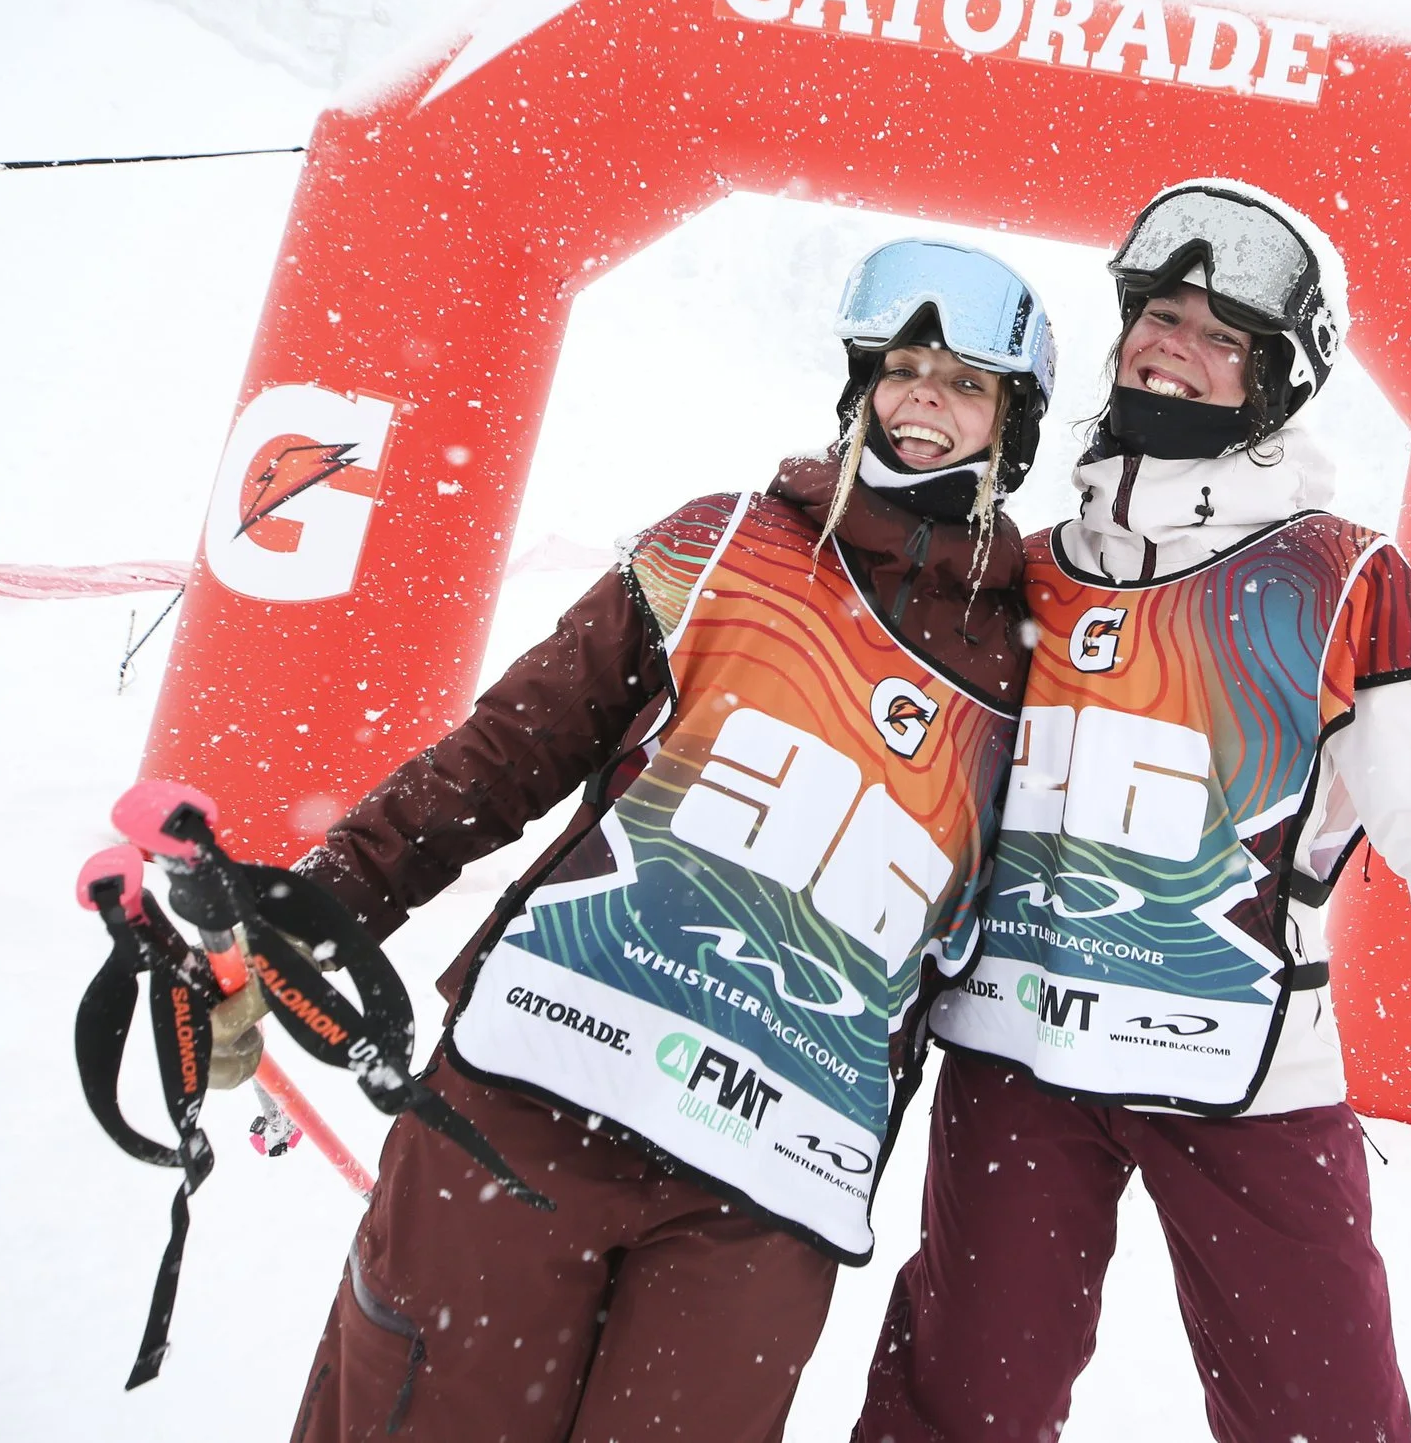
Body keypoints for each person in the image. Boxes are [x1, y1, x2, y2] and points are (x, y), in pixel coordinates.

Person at [855, 181, 1411, 1443]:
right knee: (956, 1410)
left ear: (1273, 383)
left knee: (1324, 1420)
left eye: (1222, 336)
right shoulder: (1026, 567)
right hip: (1019, 1064)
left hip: (1244, 1074)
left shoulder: (1342, 580)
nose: (1172, 344)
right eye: (1160, 312)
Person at [284, 238, 1056, 1443]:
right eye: (905, 366)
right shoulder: (721, 543)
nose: (924, 400)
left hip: (766, 1173)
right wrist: (320, 905)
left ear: (1012, 425)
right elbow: (506, 753)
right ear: (861, 382)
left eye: (965, 384)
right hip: (538, 1085)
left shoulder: (1028, 665)